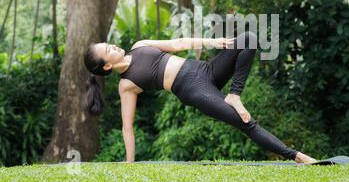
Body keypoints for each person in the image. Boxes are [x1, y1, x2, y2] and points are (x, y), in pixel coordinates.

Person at [83, 31, 317, 164]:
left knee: (248, 37)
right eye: (108, 50)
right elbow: (127, 127)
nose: (114, 46)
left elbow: (178, 43)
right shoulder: (127, 85)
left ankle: (234, 95)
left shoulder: (139, 45)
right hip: (192, 89)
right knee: (246, 123)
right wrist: (129, 162)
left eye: (109, 44)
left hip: (205, 69)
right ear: (106, 67)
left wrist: (210, 42)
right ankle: (297, 156)